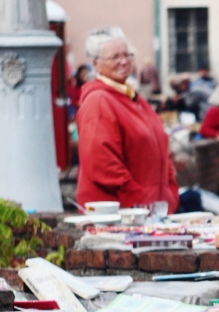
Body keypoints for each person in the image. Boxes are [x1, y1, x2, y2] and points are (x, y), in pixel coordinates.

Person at [75, 30, 179, 212]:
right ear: (96, 64)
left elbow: (162, 148)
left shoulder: (133, 97)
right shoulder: (99, 101)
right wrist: (140, 199)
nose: (123, 61)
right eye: (114, 57)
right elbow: (103, 166)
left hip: (149, 210)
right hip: (120, 214)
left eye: (127, 55)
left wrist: (170, 193)